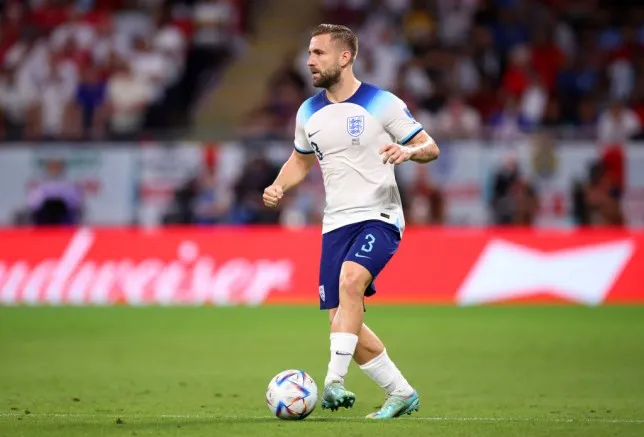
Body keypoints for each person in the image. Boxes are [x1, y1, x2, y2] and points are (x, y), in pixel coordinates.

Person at [262, 24, 439, 419]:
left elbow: (431, 146)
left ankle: (333, 383)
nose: (309, 60)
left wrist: (408, 153)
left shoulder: (381, 102)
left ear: (345, 57)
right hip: (335, 223)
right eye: (309, 53)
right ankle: (401, 391)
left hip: (379, 215)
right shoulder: (308, 111)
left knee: (350, 281)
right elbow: (301, 160)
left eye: (318, 53)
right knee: (343, 323)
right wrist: (278, 185)